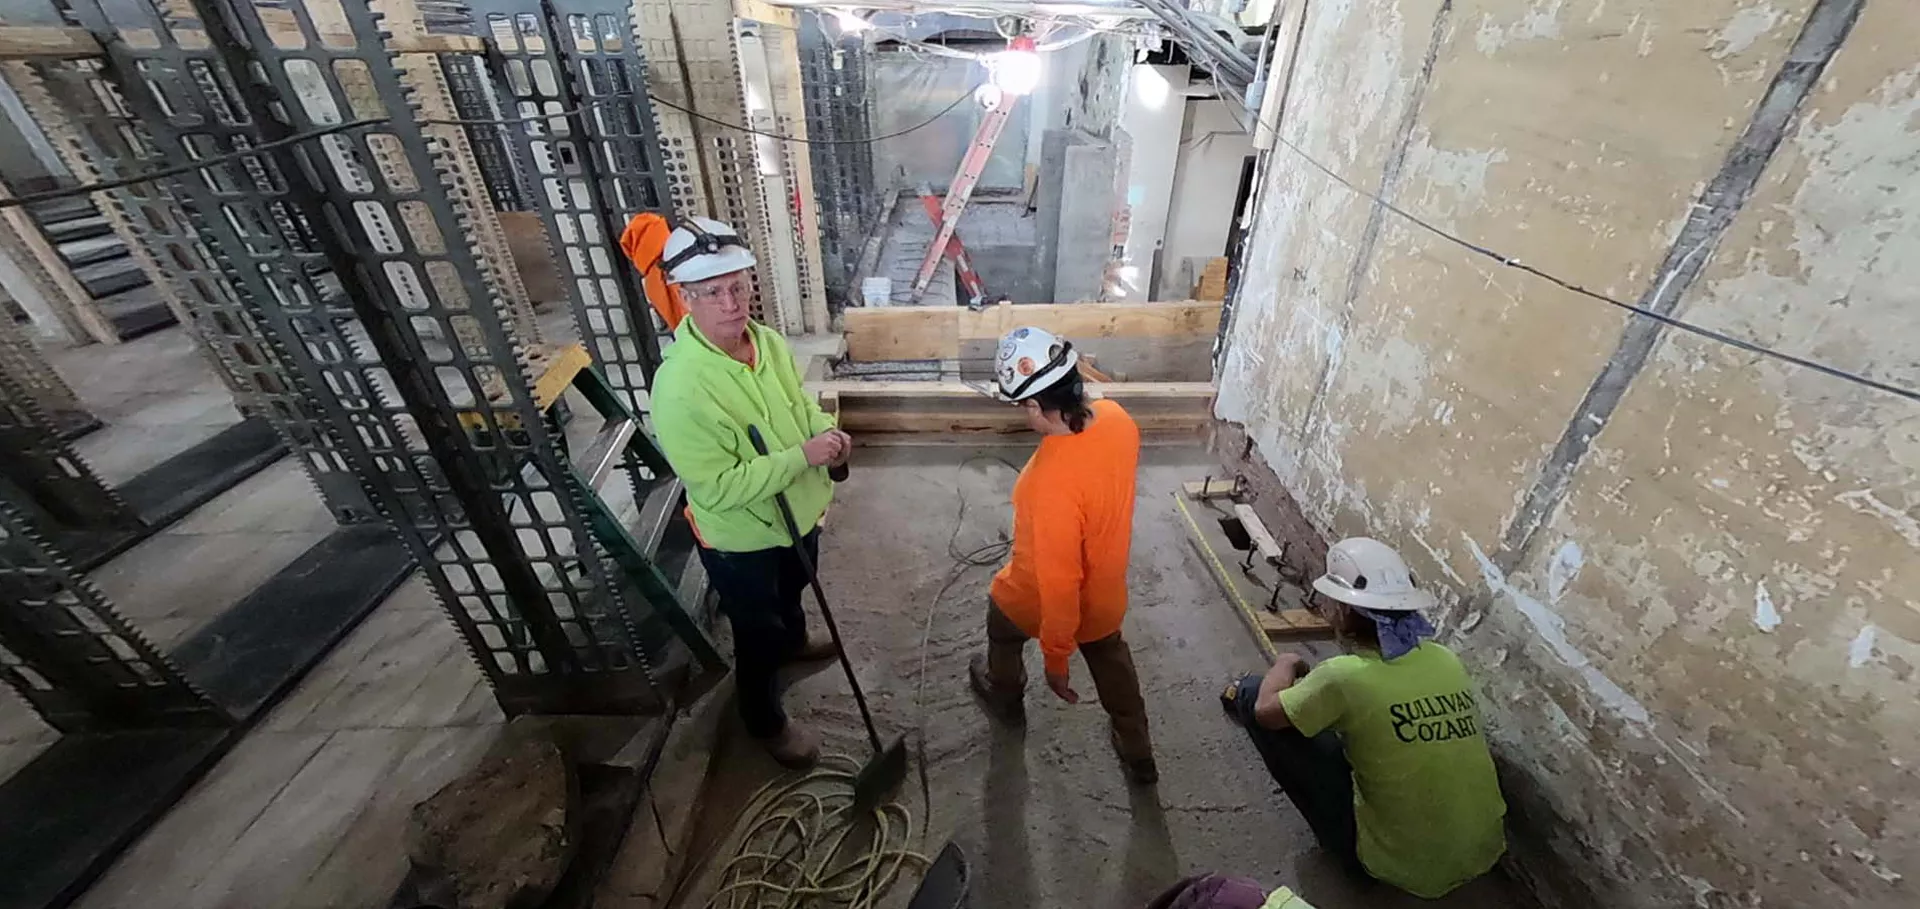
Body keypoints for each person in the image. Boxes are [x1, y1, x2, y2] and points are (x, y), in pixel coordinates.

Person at [649, 217, 851, 769]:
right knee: (756, 636)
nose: (732, 302)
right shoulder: (681, 387)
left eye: (738, 285)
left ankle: (796, 639)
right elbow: (718, 486)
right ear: (685, 297)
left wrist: (825, 433)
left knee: (793, 594)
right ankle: (765, 722)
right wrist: (799, 458)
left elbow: (798, 405)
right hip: (743, 542)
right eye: (713, 292)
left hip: (799, 517)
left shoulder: (766, 342)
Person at [1219, 537, 1507, 898]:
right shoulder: (1442, 658)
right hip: (1483, 852)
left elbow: (1267, 713)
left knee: (1255, 697)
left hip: (1395, 868)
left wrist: (1286, 662)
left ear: (1343, 611)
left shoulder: (1342, 675)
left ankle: (1238, 689)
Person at [966, 326, 1157, 784]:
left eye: (1020, 406)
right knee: (1112, 661)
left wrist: (1055, 658)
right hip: (1107, 595)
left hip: (1034, 599)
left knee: (1001, 626)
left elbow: (1059, 583)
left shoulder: (1046, 484)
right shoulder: (1118, 420)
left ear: (1033, 405)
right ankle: (1138, 751)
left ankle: (1006, 698)